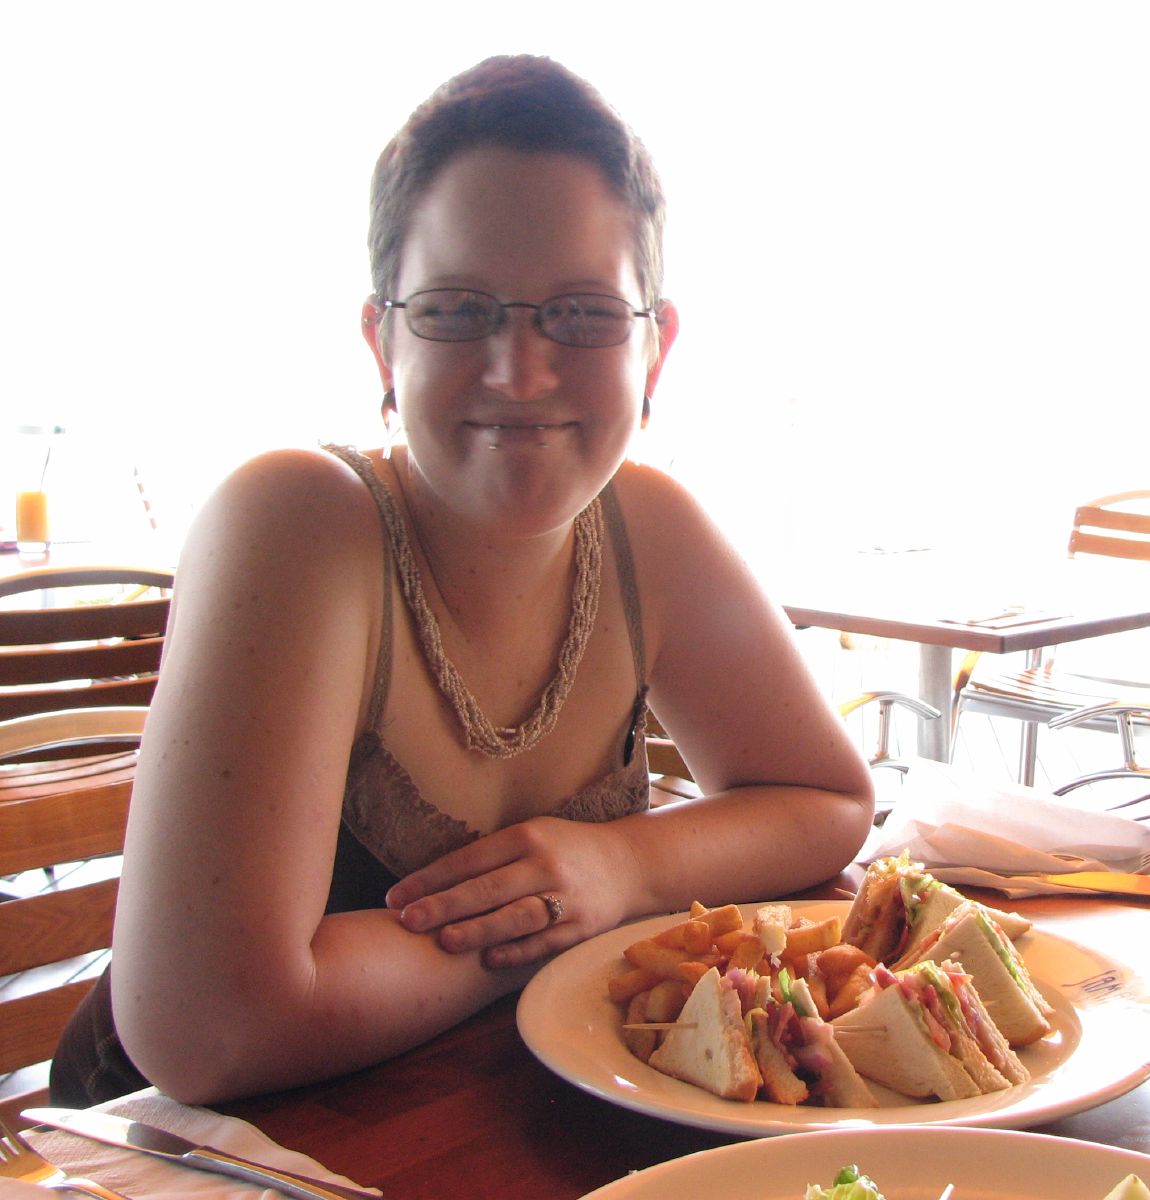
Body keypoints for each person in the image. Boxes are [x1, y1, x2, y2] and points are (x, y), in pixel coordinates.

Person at [52, 54, 874, 1105]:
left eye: (579, 313)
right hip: (194, 1153)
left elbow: (826, 796)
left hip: (491, 1111)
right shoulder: (300, 522)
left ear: (653, 348)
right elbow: (209, 1030)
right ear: (382, 339)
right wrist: (556, 923)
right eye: (457, 309)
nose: (519, 371)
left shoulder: (645, 528)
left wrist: (622, 870)